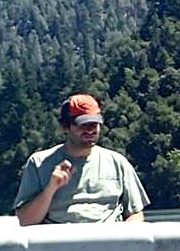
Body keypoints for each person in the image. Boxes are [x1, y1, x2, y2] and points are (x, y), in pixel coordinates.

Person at [14, 94, 149, 225]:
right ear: (65, 126)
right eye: (83, 124)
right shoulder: (39, 163)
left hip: (109, 236)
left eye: (94, 124)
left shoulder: (118, 162)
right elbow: (26, 220)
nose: (90, 130)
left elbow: (135, 214)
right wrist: (51, 188)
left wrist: (126, 232)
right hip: (59, 237)